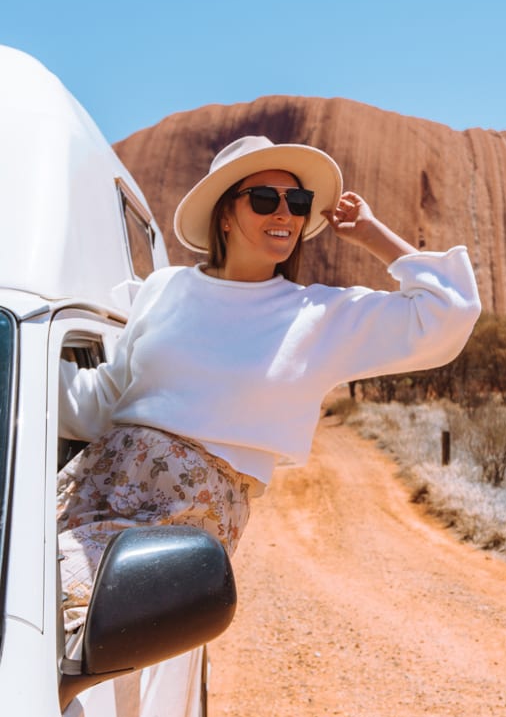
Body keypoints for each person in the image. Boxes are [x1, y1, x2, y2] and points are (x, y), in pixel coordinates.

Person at [58, 135, 481, 632]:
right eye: (264, 199)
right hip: (89, 484)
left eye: (298, 203)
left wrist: (371, 234)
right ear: (225, 215)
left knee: (49, 626)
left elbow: (448, 314)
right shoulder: (164, 288)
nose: (285, 213)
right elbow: (107, 398)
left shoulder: (319, 315)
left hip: (172, 527)